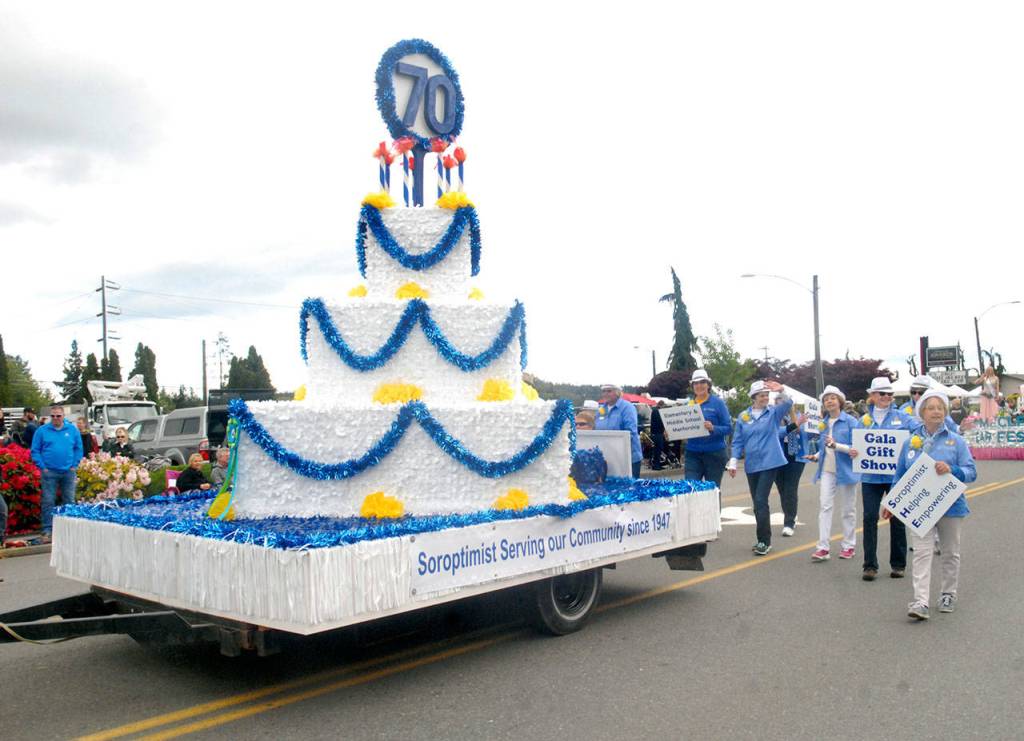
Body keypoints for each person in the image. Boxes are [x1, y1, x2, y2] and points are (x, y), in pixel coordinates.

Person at [890, 389, 976, 620]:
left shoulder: (956, 441)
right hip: (920, 509)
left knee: (950, 553)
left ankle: (948, 593)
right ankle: (920, 602)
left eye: (940, 408)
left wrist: (952, 469)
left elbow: (971, 472)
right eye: (931, 407)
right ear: (922, 412)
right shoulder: (910, 442)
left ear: (945, 412)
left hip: (951, 506)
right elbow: (899, 476)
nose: (936, 411)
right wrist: (891, 502)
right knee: (921, 553)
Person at [726, 379, 791, 556]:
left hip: (771, 462)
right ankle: (763, 538)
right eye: (762, 395)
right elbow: (738, 441)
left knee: (761, 500)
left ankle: (764, 541)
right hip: (752, 464)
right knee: (757, 504)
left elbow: (788, 404)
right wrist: (733, 461)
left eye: (767, 395)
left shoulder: (773, 413)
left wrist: (781, 390)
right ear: (754, 397)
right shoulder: (743, 417)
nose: (765, 398)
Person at [859, 377, 912, 581]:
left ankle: (898, 564)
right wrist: (851, 451)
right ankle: (869, 565)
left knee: (898, 518)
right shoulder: (862, 421)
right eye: (882, 393)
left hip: (895, 477)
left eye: (890, 394)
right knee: (869, 517)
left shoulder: (903, 417)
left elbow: (920, 432)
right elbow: (852, 444)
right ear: (872, 396)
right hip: (870, 477)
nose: (887, 397)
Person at [808, 385, 861, 562]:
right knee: (824, 507)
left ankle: (849, 545)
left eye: (832, 398)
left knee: (848, 510)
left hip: (846, 470)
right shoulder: (823, 423)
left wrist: (837, 446)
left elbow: (858, 449)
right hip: (827, 470)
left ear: (840, 401)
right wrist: (816, 455)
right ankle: (823, 547)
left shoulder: (851, 422)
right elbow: (825, 447)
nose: (829, 401)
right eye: (826, 399)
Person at [29, 405, 83, 541]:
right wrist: (42, 467)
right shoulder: (41, 431)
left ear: (63, 416)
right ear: (49, 417)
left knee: (69, 500)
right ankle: (47, 530)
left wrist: (74, 465)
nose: (55, 418)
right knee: (48, 501)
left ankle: (71, 529)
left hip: (68, 472)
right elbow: (35, 450)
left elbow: (78, 449)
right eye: (52, 416)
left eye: (58, 416)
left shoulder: (72, 430)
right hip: (49, 472)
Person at [684, 369, 732, 490]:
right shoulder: (689, 405)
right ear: (692, 386)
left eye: (702, 382)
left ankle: (714, 510)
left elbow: (728, 428)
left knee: (712, 492)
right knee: (690, 490)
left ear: (708, 385)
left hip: (714, 454)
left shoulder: (718, 403)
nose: (699, 385)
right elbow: (683, 428)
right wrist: (671, 432)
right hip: (692, 454)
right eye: (696, 383)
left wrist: (713, 428)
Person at [773, 401, 809, 537]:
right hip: (777, 457)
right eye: (779, 404)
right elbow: (778, 433)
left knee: (790, 488)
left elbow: (803, 432)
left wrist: (794, 415)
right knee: (782, 489)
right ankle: (791, 513)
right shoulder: (773, 418)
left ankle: (789, 522)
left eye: (785, 403)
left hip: (796, 457)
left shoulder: (800, 416)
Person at [595, 384, 642, 477]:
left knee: (629, 488)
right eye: (603, 391)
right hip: (608, 458)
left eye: (609, 391)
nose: (605, 394)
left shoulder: (627, 408)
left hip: (628, 458)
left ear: (617, 393)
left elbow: (630, 432)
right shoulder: (601, 410)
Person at [649, 401, 668, 470]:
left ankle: (657, 464)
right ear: (661, 405)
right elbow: (659, 422)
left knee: (657, 450)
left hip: (656, 433)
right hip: (657, 433)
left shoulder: (655, 410)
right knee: (658, 449)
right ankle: (656, 465)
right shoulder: (657, 411)